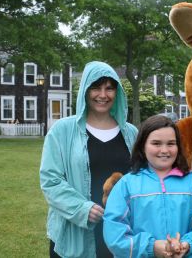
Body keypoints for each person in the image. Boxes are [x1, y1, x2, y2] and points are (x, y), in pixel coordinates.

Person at [40, 61, 138, 258]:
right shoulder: (63, 131)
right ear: (85, 89)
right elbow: (50, 180)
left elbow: (141, 178)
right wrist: (82, 209)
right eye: (96, 87)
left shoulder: (131, 133)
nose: (103, 95)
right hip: (75, 233)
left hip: (121, 232)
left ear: (117, 92)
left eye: (109, 88)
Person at [103, 115, 192, 258]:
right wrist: (152, 247)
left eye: (171, 143)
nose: (164, 150)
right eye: (156, 143)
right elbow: (115, 233)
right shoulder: (126, 185)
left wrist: (187, 246)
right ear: (143, 146)